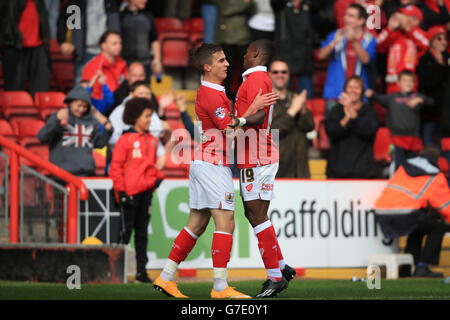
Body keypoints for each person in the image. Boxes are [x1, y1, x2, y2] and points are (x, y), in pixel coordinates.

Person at [153, 43, 277, 299]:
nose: (227, 64)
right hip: (213, 165)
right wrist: (254, 107)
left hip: (203, 163)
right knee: (226, 223)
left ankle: (165, 276)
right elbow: (231, 132)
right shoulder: (212, 95)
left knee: (196, 225)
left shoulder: (213, 92)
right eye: (221, 60)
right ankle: (220, 287)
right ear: (208, 67)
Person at [232, 40, 296, 298]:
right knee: (253, 213)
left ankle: (274, 277)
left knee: (257, 214)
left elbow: (258, 114)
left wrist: (239, 120)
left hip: (257, 154)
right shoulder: (255, 79)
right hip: (257, 152)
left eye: (247, 51)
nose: (244, 55)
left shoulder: (257, 78)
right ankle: (281, 266)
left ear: (256, 54)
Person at [108, 97, 164, 283]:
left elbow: (150, 166)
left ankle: (141, 272)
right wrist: (121, 192)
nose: (149, 119)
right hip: (128, 194)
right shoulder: (125, 139)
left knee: (141, 234)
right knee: (124, 233)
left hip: (146, 193)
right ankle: (116, 272)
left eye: (150, 115)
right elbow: (115, 168)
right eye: (146, 116)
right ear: (134, 117)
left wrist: (158, 178)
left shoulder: (152, 141)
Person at [374, 144, 450, 277]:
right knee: (439, 227)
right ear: (437, 160)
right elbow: (446, 208)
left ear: (420, 155)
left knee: (417, 229)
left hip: (382, 213)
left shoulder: (404, 167)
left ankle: (406, 269)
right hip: (406, 213)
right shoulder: (435, 176)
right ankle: (422, 267)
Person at [37, 85, 114, 176]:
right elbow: (42, 137)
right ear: (71, 102)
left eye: (84, 106)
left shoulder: (92, 122)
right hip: (62, 175)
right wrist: (55, 119)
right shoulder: (61, 117)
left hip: (86, 174)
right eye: (78, 105)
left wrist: (108, 129)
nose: (81, 109)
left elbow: (99, 144)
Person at [366, 70, 434, 170]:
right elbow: (377, 97)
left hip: (414, 139)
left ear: (414, 83)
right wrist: (371, 93)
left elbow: (433, 103)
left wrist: (421, 100)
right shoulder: (392, 98)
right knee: (398, 167)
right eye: (405, 80)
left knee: (413, 168)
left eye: (411, 81)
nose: (408, 83)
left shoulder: (417, 96)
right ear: (398, 83)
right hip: (396, 139)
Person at [318, 3, 377, 112]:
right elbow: (320, 55)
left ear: (361, 21)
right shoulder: (335, 34)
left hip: (359, 97)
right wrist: (334, 42)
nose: (346, 18)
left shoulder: (369, 39)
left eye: (351, 16)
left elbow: (366, 60)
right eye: (345, 15)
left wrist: (353, 41)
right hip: (335, 94)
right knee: (333, 128)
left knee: (359, 128)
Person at [325, 75, 379, 178]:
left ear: (362, 91)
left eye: (357, 87)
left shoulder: (369, 111)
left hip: (363, 173)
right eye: (350, 87)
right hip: (337, 172)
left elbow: (369, 132)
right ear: (345, 90)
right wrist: (346, 119)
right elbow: (331, 132)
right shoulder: (336, 110)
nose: (353, 90)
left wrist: (353, 115)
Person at [57, 0, 121, 85]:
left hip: (108, 54)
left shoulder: (111, 2)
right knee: (81, 91)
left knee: (110, 88)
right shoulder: (77, 2)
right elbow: (64, 21)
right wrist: (63, 41)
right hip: (85, 53)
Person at [269, 59, 315, 178]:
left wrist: (303, 111)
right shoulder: (265, 101)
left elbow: (310, 126)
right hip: (276, 169)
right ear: (269, 74)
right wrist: (292, 111)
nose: (280, 75)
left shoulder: (295, 96)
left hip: (300, 168)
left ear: (289, 75)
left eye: (284, 72)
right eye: (276, 72)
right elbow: (272, 132)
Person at [109, 81, 166, 171]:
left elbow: (157, 143)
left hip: (146, 165)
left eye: (147, 93)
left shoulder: (152, 113)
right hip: (126, 163)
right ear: (131, 94)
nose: (144, 96)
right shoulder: (119, 112)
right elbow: (113, 140)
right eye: (141, 93)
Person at [0, 0, 51, 97]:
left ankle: (38, 112)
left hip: (38, 46)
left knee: (41, 88)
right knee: (14, 90)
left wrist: (46, 41)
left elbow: (44, 19)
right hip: (14, 45)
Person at [376, 5, 429, 93]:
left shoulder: (419, 33)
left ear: (416, 20)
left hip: (409, 84)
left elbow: (426, 45)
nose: (400, 19)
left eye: (404, 17)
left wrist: (409, 29)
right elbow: (377, 46)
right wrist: (389, 28)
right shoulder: (393, 34)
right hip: (392, 83)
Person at [271, 0, 317, 98]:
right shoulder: (280, 4)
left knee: (306, 98)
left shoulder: (309, 5)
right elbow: (274, 3)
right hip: (285, 52)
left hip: (305, 55)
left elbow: (322, 12)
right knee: (282, 96)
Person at [417, 25, 450, 146]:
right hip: (429, 113)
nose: (443, 42)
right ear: (431, 41)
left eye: (445, 39)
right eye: (439, 38)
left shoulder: (447, 58)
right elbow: (426, 83)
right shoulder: (425, 59)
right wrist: (442, 69)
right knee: (429, 147)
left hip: (446, 113)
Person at [215, 0, 252, 100]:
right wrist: (245, 4)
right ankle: (227, 94)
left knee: (244, 67)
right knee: (227, 68)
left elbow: (253, 8)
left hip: (242, 36)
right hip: (227, 37)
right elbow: (226, 10)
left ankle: (241, 92)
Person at [119, 0, 162, 81]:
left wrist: (157, 59)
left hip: (145, 64)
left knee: (144, 92)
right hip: (125, 64)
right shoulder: (121, 16)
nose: (145, 0)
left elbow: (154, 39)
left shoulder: (148, 16)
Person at [81, 30, 128, 102]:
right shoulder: (93, 66)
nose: (119, 46)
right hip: (101, 105)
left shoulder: (122, 64)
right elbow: (91, 94)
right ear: (103, 46)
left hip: (119, 102)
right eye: (114, 44)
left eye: (120, 43)